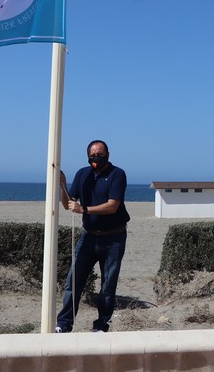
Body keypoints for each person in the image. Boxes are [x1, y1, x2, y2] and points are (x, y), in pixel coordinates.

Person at [55, 139, 131, 333]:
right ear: (87, 155)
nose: (96, 156)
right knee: (73, 281)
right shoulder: (83, 174)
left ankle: (101, 326)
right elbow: (68, 203)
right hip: (88, 237)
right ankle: (64, 325)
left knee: (108, 284)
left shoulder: (117, 174)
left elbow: (112, 206)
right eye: (92, 153)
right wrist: (62, 186)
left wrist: (84, 209)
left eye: (100, 153)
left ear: (107, 154)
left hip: (113, 239)